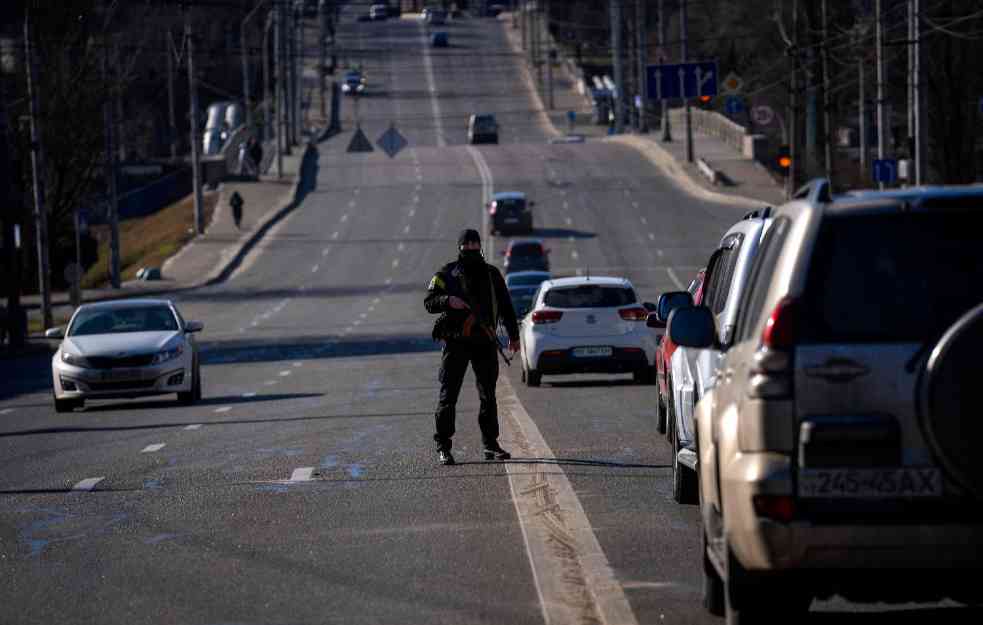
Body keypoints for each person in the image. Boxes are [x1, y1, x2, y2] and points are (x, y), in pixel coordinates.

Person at [425, 229, 520, 466]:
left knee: (488, 395)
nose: (471, 250)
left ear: (480, 247)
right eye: (466, 247)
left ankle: (490, 444)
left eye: (475, 246)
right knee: (448, 396)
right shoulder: (447, 273)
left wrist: (513, 335)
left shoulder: (492, 274)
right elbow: (429, 302)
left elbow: (506, 306)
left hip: (484, 342)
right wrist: (448, 300)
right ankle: (443, 447)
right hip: (456, 343)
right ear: (459, 248)